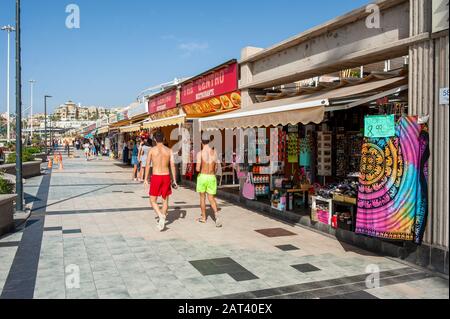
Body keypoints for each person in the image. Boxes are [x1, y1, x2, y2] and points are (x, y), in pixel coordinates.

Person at [144, 131, 177, 232]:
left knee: (152, 200)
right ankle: (162, 219)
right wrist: (174, 180)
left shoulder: (152, 150)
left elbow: (148, 165)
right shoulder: (169, 150)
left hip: (156, 176)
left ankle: (160, 216)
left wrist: (145, 178)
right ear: (163, 139)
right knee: (165, 200)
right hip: (166, 176)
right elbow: (172, 165)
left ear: (154, 139)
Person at [196, 136, 222, 227]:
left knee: (202, 198)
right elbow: (216, 167)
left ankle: (203, 218)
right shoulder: (215, 153)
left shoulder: (200, 153)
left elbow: (197, 168)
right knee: (211, 198)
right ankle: (217, 216)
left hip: (203, 176)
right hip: (211, 177)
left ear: (201, 141)